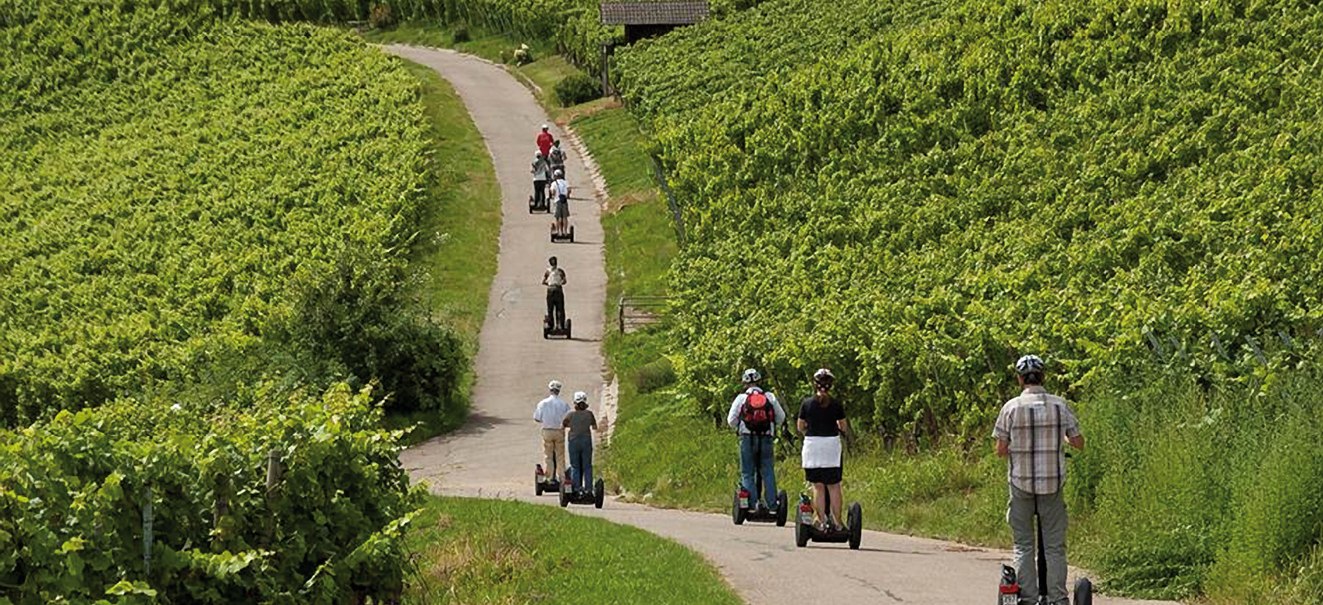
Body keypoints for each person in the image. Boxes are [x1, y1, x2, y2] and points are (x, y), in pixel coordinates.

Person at [993, 355, 1085, 605]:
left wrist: (1017, 446)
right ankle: (1057, 598)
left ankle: (1028, 599)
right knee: (1054, 547)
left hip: (1021, 484)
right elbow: (1078, 442)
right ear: (1043, 377)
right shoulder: (1060, 405)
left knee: (1023, 545)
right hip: (1052, 485)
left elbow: (1000, 450)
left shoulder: (1010, 408)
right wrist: (1062, 439)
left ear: (1020, 379)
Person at [725, 368, 785, 511]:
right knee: (767, 471)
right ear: (759, 381)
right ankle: (772, 505)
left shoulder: (741, 399)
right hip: (766, 437)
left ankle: (752, 505)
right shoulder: (770, 397)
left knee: (747, 472)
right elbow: (781, 418)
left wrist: (742, 423)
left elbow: (731, 421)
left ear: (745, 383)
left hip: (747, 438)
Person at [797, 368, 848, 531]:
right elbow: (843, 426)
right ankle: (838, 523)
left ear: (815, 384)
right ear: (830, 385)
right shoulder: (836, 404)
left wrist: (810, 432)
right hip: (831, 446)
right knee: (834, 485)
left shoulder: (807, 403)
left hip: (813, 445)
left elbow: (800, 426)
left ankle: (821, 521)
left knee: (818, 486)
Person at [533, 380, 572, 482]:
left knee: (548, 455)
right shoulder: (564, 404)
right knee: (560, 455)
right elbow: (568, 419)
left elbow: (537, 418)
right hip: (559, 431)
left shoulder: (543, 403)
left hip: (547, 431)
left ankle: (549, 476)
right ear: (559, 391)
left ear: (550, 390)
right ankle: (562, 477)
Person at [562, 391, 599, 494]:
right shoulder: (589, 414)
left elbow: (564, 424)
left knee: (575, 465)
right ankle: (588, 488)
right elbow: (595, 426)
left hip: (574, 440)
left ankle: (576, 488)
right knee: (587, 466)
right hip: (586, 440)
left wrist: (572, 426)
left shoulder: (570, 415)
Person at [541, 256, 567, 329]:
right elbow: (565, 281)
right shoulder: (560, 271)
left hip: (550, 290)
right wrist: (559, 283)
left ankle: (551, 325)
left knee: (550, 309)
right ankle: (561, 325)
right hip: (558, 289)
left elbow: (543, 281)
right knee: (560, 309)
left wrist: (549, 283)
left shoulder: (547, 272)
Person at [551, 169, 570, 236]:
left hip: (557, 201)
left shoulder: (554, 183)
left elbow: (553, 192)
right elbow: (569, 190)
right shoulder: (565, 182)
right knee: (565, 217)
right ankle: (565, 231)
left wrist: (553, 196)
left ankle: (559, 232)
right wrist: (567, 196)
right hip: (564, 201)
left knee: (558, 217)